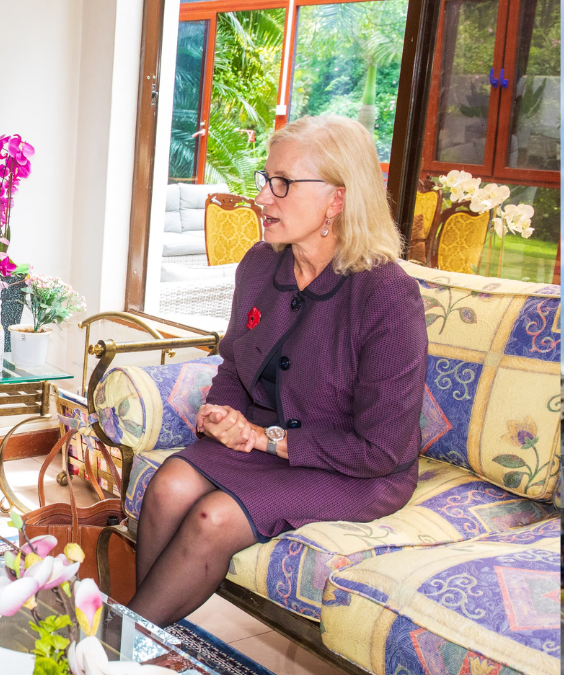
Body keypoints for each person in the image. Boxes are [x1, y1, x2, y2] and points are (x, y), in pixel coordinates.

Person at [127, 115, 428, 627]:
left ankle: (111, 648)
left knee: (211, 517)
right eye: (266, 180)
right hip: (268, 445)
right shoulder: (262, 265)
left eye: (283, 184)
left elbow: (381, 449)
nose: (263, 198)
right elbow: (236, 363)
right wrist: (224, 409)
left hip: (353, 469)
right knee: (170, 484)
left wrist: (263, 439)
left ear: (337, 199)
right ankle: (140, 644)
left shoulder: (386, 296)